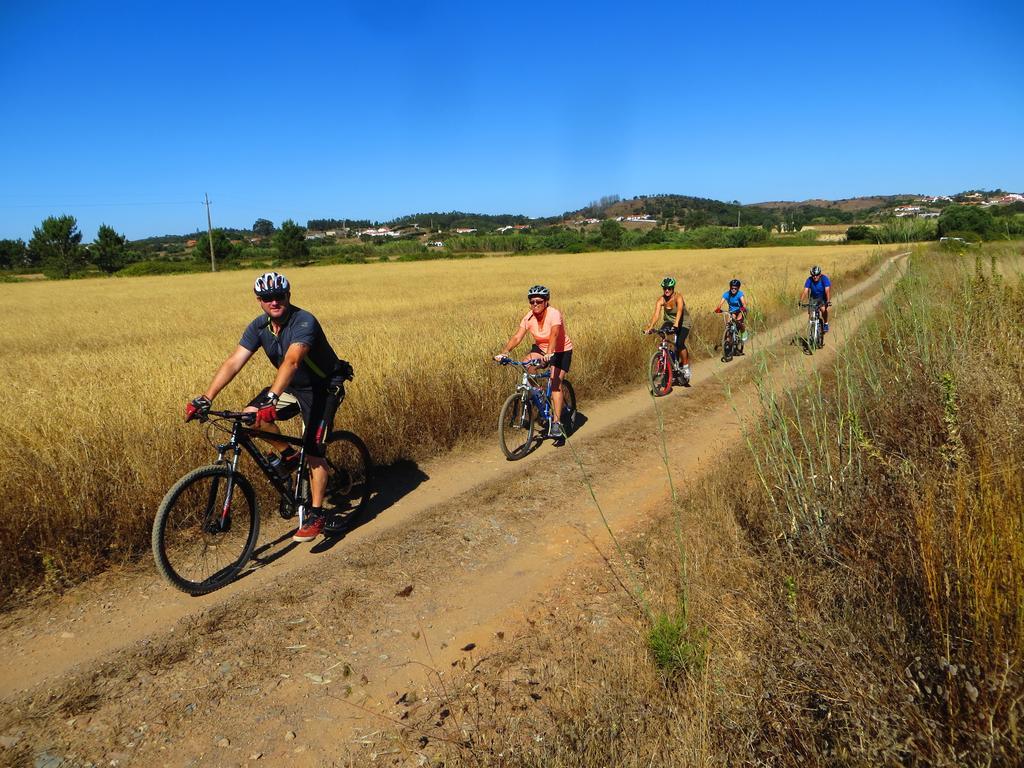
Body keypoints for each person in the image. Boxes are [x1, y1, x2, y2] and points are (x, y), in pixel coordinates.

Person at [184, 271, 352, 543]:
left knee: (313, 451)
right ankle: (287, 456)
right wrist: (207, 397)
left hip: (322, 389)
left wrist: (273, 397)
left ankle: (317, 513)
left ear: (288, 295)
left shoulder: (303, 321)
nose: (273, 302)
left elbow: (293, 361)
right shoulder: (259, 327)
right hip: (291, 387)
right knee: (249, 418)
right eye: (266, 298)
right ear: (258, 300)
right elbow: (234, 362)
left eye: (279, 296)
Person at [493, 285, 574, 440]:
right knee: (526, 363)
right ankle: (540, 395)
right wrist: (504, 352)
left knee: (555, 381)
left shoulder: (554, 314)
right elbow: (517, 337)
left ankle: (557, 423)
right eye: (532, 302)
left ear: (546, 301)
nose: (535, 304)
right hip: (541, 348)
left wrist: (550, 353)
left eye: (539, 301)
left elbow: (555, 334)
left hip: (560, 350)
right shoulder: (529, 317)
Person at [643, 276, 692, 383]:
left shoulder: (678, 297)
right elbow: (656, 315)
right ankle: (667, 357)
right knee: (661, 334)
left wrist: (675, 325)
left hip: (683, 322)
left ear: (673, 288)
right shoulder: (661, 300)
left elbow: (679, 311)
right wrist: (650, 328)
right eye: (664, 288)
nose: (667, 290)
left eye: (669, 288)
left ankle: (685, 367)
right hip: (669, 321)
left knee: (679, 343)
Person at [799, 265, 832, 337]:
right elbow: (805, 291)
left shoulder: (824, 279)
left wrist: (828, 301)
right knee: (811, 313)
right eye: (813, 275)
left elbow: (827, 290)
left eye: (817, 275)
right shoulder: (809, 280)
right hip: (813, 298)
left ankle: (825, 323)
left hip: (822, 297)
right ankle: (811, 329)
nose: (815, 277)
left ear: (820, 274)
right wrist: (800, 301)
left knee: (823, 310)